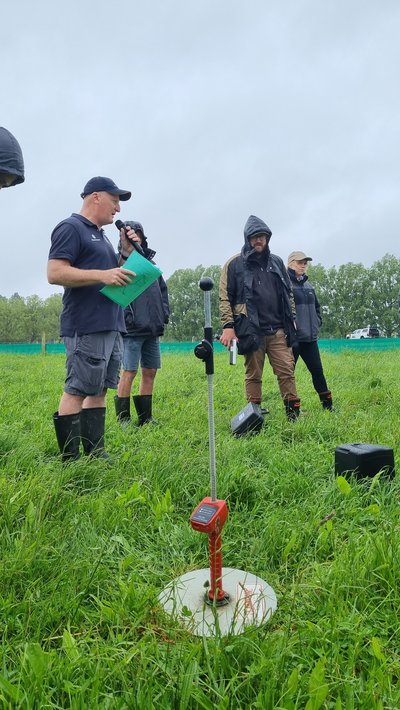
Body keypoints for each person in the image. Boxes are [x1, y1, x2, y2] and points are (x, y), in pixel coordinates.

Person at [47, 176, 137, 462]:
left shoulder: (102, 235)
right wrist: (102, 275)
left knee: (99, 389)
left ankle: (95, 452)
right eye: (115, 201)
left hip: (111, 323)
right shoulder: (71, 227)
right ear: (95, 197)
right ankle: (71, 460)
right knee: (77, 389)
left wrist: (125, 254)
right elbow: (55, 273)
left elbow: (112, 277)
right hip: (86, 324)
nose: (118, 209)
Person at [219, 215, 301, 420]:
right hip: (251, 330)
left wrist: (292, 317)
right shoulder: (234, 264)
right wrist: (228, 326)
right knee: (253, 376)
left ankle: (294, 416)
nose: (259, 240)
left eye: (262, 237)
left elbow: (288, 293)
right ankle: (253, 417)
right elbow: (225, 297)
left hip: (278, 330)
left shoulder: (277, 262)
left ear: (267, 239)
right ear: (247, 238)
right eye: (255, 237)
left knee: (287, 372)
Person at [114, 221, 170, 426]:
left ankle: (146, 418)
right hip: (132, 329)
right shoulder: (119, 263)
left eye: (137, 235)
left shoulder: (151, 265)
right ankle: (123, 419)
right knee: (129, 371)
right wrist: (126, 318)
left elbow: (163, 292)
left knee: (150, 371)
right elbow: (116, 290)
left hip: (153, 328)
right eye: (130, 235)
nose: (134, 238)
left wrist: (163, 315)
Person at [287, 251, 333, 410]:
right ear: (290, 263)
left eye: (305, 263)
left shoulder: (309, 286)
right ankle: (291, 409)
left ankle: (328, 406)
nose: (303, 265)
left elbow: (317, 308)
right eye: (300, 262)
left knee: (318, 371)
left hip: (310, 339)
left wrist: (317, 323)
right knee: (288, 376)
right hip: (293, 339)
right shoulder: (285, 285)